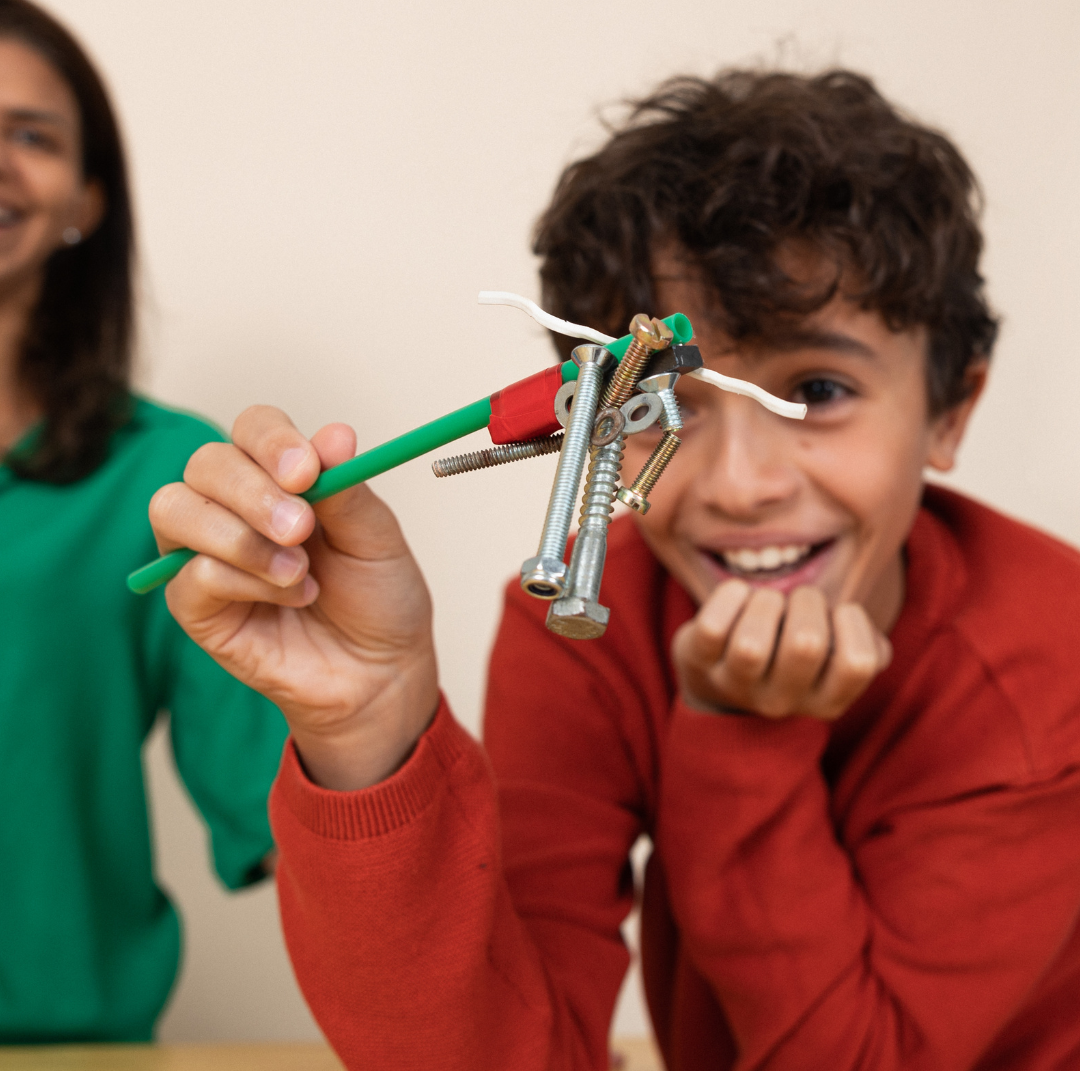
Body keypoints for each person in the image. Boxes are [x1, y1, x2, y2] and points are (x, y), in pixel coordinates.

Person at [150, 70, 1080, 1070]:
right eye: (658, 403)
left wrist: (741, 735)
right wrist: (368, 726)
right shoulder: (583, 625)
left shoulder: (1049, 655)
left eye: (816, 389)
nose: (737, 482)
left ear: (951, 409)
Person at [0, 0, 288, 1044]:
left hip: (69, 1050)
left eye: (28, 136)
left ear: (85, 198)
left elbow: (283, 817)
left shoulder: (170, 479)